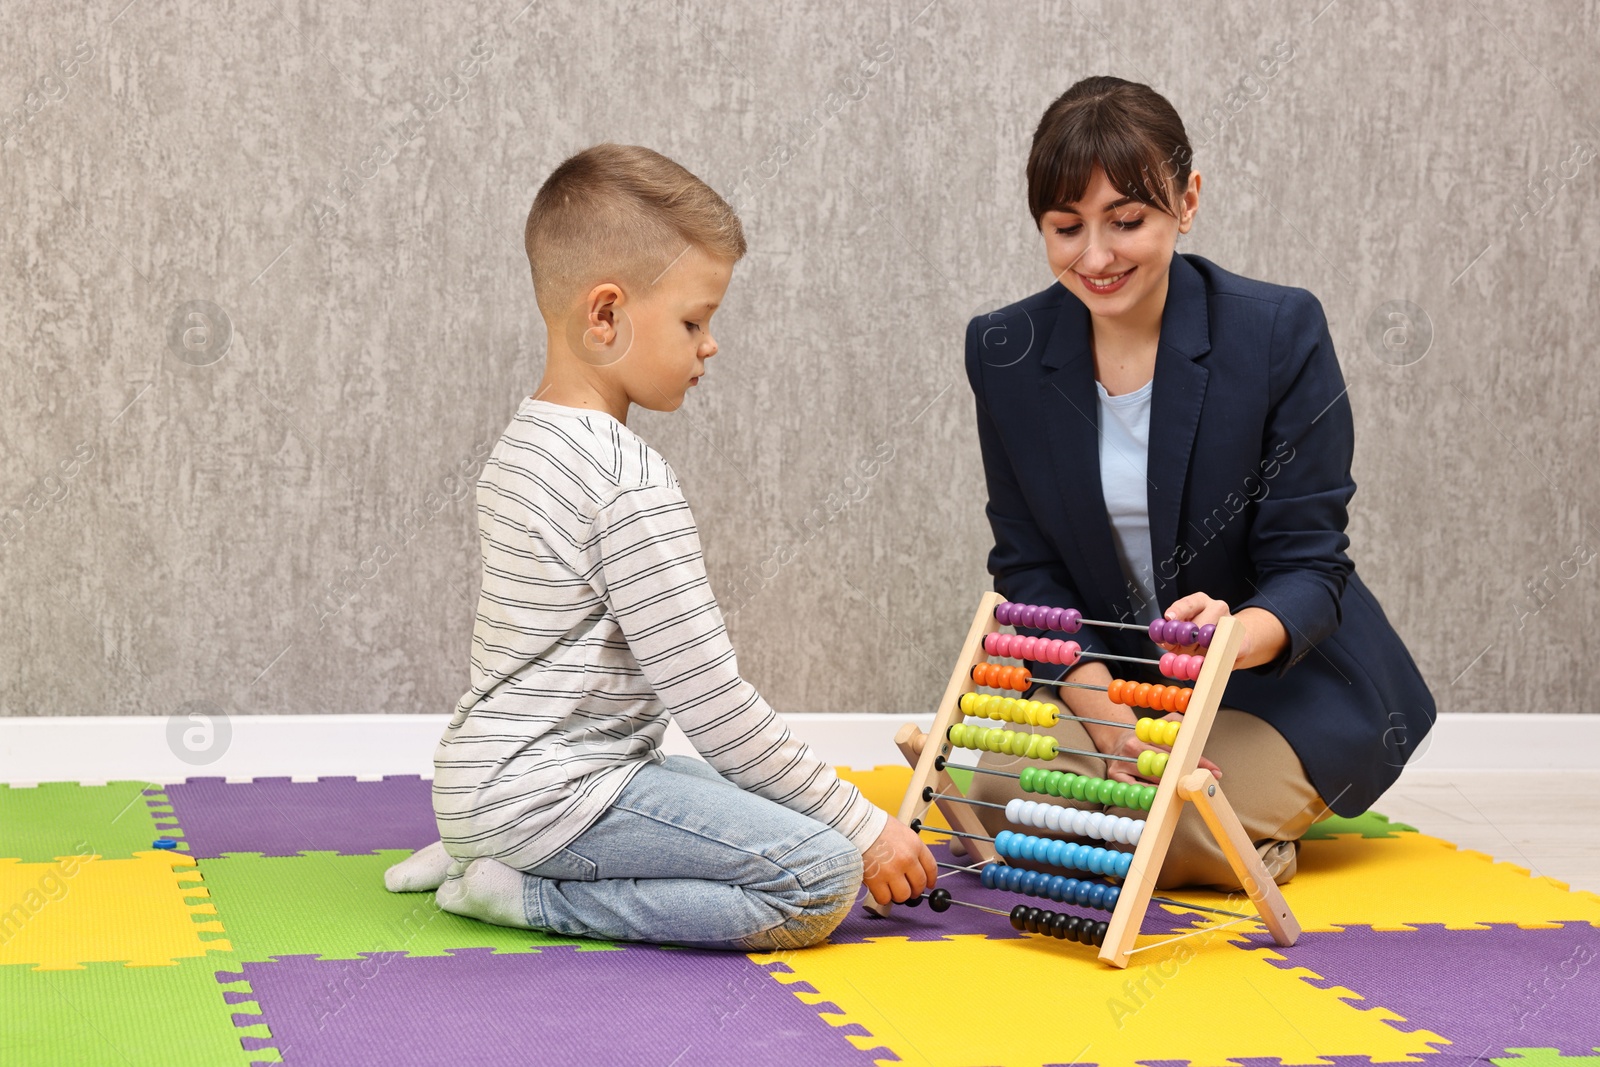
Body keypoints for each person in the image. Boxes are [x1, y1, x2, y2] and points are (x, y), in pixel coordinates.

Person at [383, 143, 935, 949]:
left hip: (484, 779)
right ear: (605, 315)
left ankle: (487, 844)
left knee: (777, 805)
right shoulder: (623, 478)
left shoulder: (523, 440)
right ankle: (528, 894)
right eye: (693, 320)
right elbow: (714, 707)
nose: (709, 344)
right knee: (820, 876)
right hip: (554, 798)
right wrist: (868, 829)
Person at [964, 77, 1436, 890]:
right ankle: (1222, 836)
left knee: (1173, 820)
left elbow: (1311, 566)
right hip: (1130, 686)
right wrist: (1102, 710)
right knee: (998, 793)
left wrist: (1232, 635)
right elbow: (1027, 565)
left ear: (1186, 202)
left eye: (1127, 220)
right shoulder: (1004, 348)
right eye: (1066, 227)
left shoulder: (1278, 330)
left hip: (1279, 681)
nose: (1097, 256)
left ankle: (1234, 836)